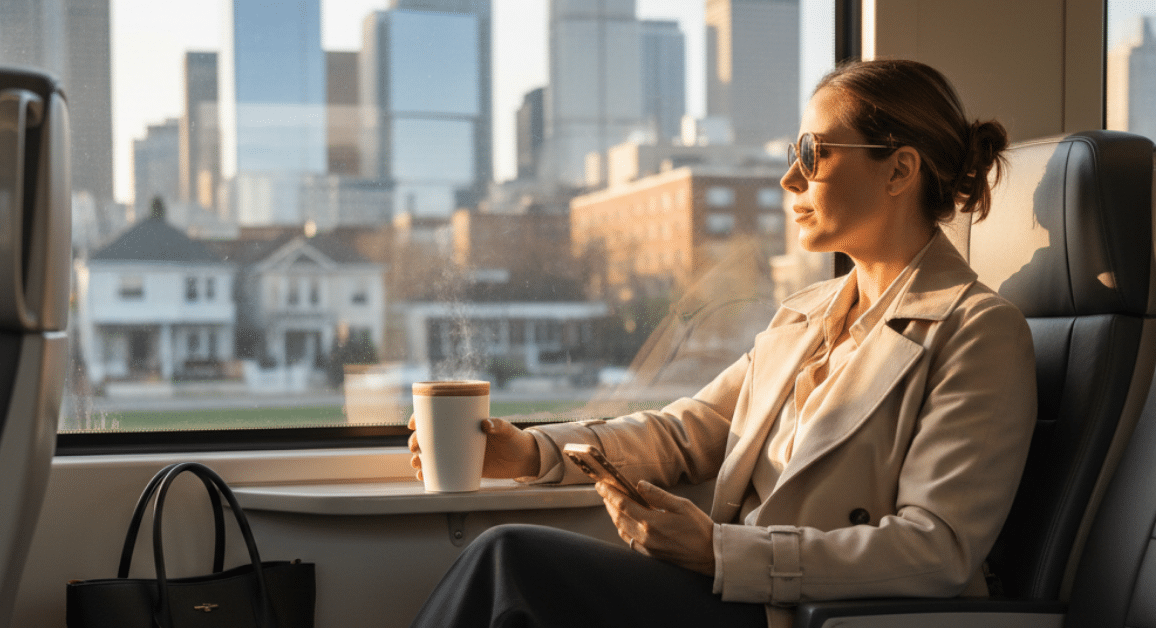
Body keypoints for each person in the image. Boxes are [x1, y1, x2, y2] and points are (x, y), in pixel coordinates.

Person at [408, 59, 1037, 628]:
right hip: (739, 594)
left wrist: (718, 550)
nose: (790, 177)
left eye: (813, 153)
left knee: (510, 561)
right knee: (507, 563)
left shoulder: (978, 330)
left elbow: (936, 550)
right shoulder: (805, 316)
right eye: (795, 152)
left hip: (812, 613)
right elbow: (684, 432)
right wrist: (529, 452)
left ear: (899, 169)